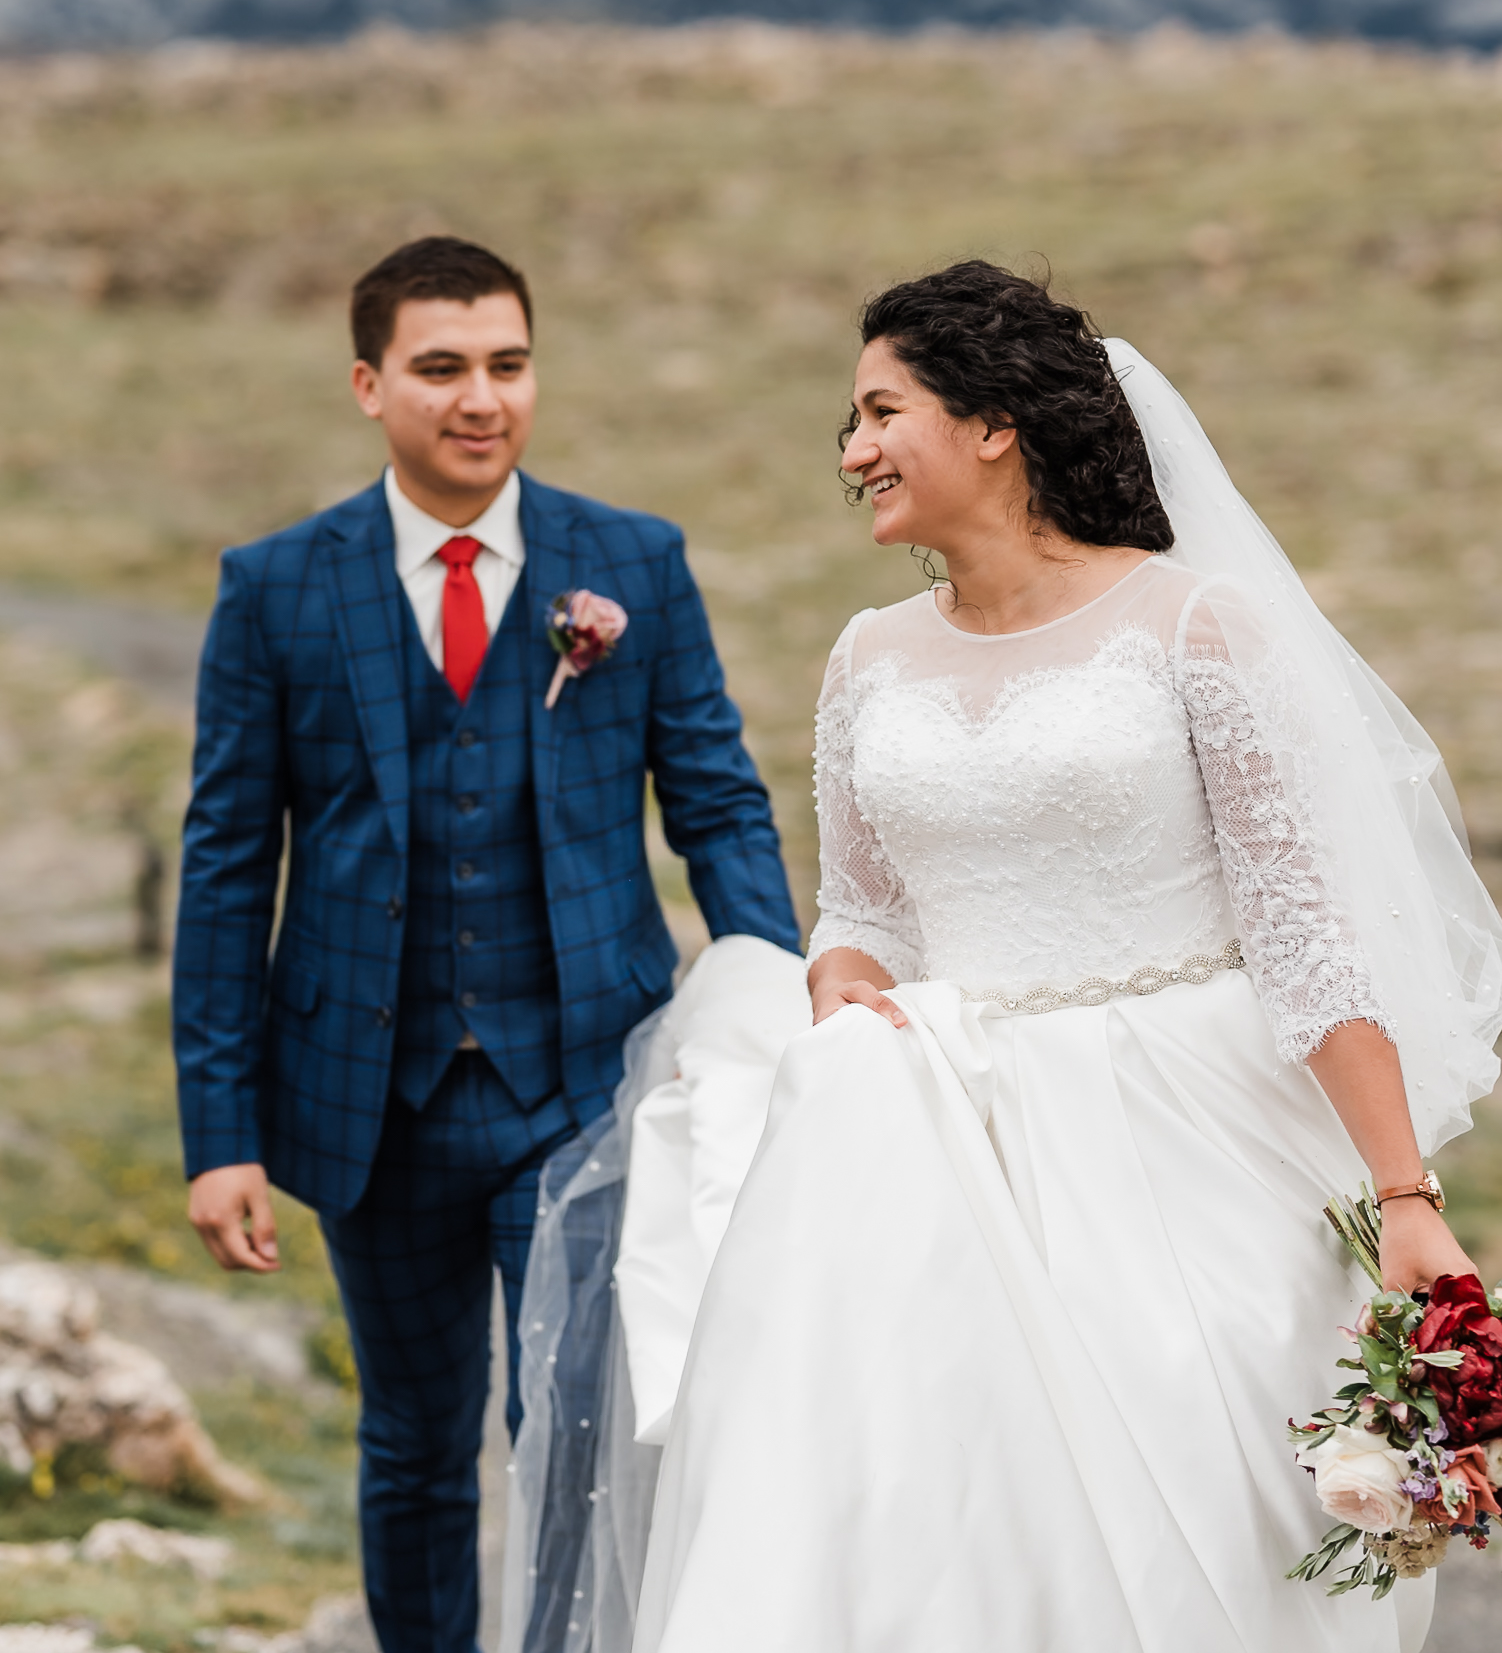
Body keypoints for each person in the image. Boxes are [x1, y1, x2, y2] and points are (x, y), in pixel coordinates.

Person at [513, 261, 1502, 1653]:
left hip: (1188, 1132)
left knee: (1200, 1530)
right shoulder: (866, 659)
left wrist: (1403, 1197)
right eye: (846, 422)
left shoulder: (1189, 625)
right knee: (934, 1529)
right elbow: (859, 912)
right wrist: (841, 982)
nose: (850, 451)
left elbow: (1305, 939)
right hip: (942, 1147)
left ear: (993, 425)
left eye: (879, 411)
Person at [170, 235, 799, 1653]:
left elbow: (717, 806)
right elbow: (225, 868)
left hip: (578, 1086)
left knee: (570, 1424)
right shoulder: (274, 587)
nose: (480, 398)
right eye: (440, 367)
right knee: (412, 1440)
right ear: (368, 384)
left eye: (506, 365)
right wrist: (221, 1131)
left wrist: (774, 1011)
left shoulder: (630, 563)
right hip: (363, 1103)